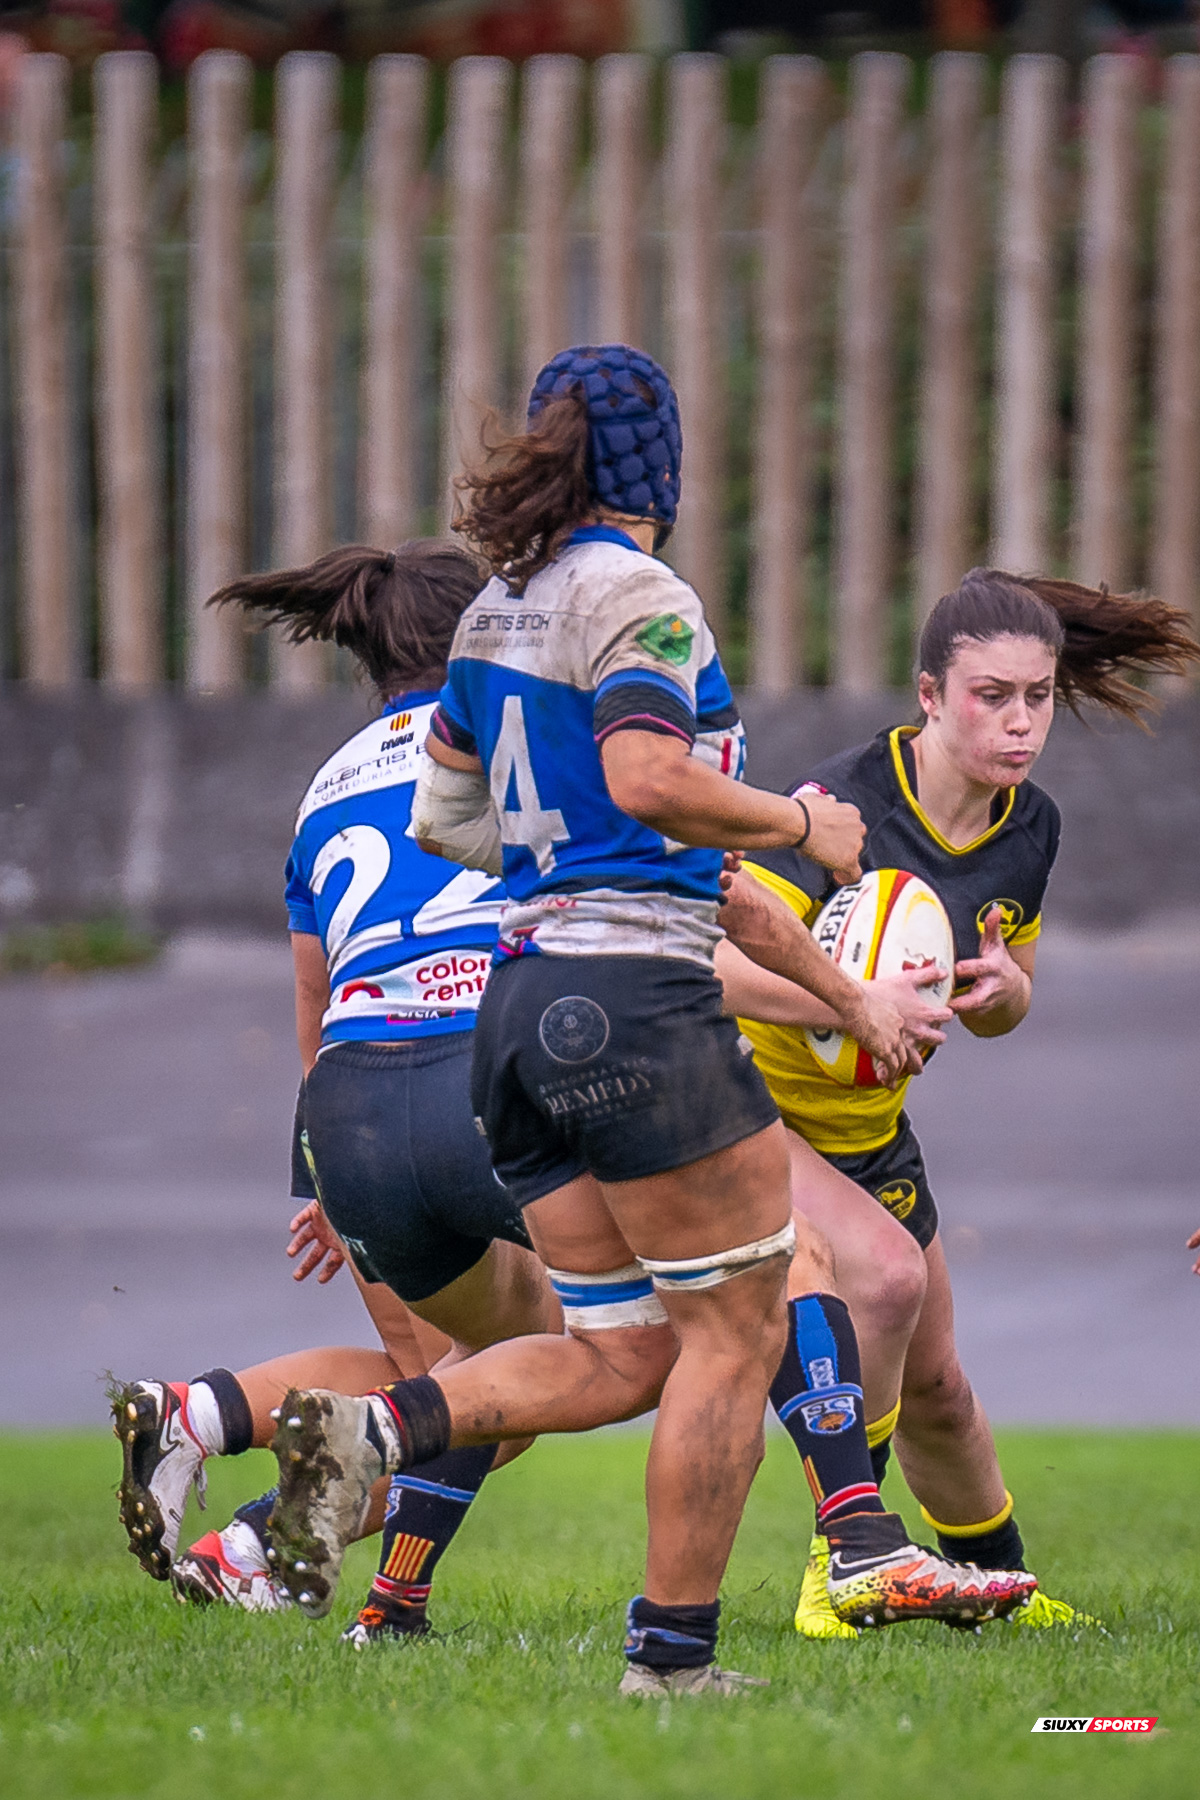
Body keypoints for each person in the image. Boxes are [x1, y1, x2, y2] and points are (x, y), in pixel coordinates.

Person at [263, 347, 1034, 1697]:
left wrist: (566, 860)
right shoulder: (642, 595)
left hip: (512, 1011)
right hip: (632, 1007)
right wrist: (803, 825)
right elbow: (645, 768)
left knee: (623, 1349)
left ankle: (383, 1430)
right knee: (754, 1316)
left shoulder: (499, 609)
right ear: (658, 462)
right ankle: (703, 1643)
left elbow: (450, 815)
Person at [731, 566, 1200, 1638]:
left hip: (870, 1133)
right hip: (753, 1113)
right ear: (930, 695)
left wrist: (1008, 990)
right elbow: (711, 959)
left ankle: (1000, 1591)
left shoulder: (1028, 829)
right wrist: (848, 1002)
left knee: (938, 1383)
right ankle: (844, 1567)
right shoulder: (841, 807)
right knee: (886, 1280)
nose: (1022, 720)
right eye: (993, 695)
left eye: (1037, 696)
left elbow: (1000, 1006)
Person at [111, 539, 563, 1642]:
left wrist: (320, 1176)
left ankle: (201, 1425)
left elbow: (318, 1010)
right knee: (503, 1383)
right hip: (481, 1081)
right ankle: (375, 1603)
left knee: (439, 1391)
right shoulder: (507, 742)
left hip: (355, 1110)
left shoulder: (328, 787)